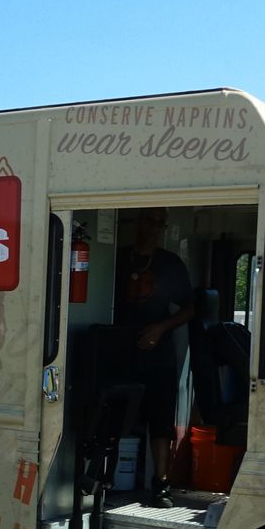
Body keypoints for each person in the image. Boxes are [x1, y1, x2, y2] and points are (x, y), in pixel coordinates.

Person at [115, 207, 194, 507]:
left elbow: (190, 308)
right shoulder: (118, 259)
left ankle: (161, 484)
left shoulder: (170, 264)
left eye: (160, 224)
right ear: (138, 222)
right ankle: (104, 478)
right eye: (149, 221)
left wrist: (161, 328)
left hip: (158, 354)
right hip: (119, 351)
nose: (154, 228)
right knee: (113, 415)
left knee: (160, 420)